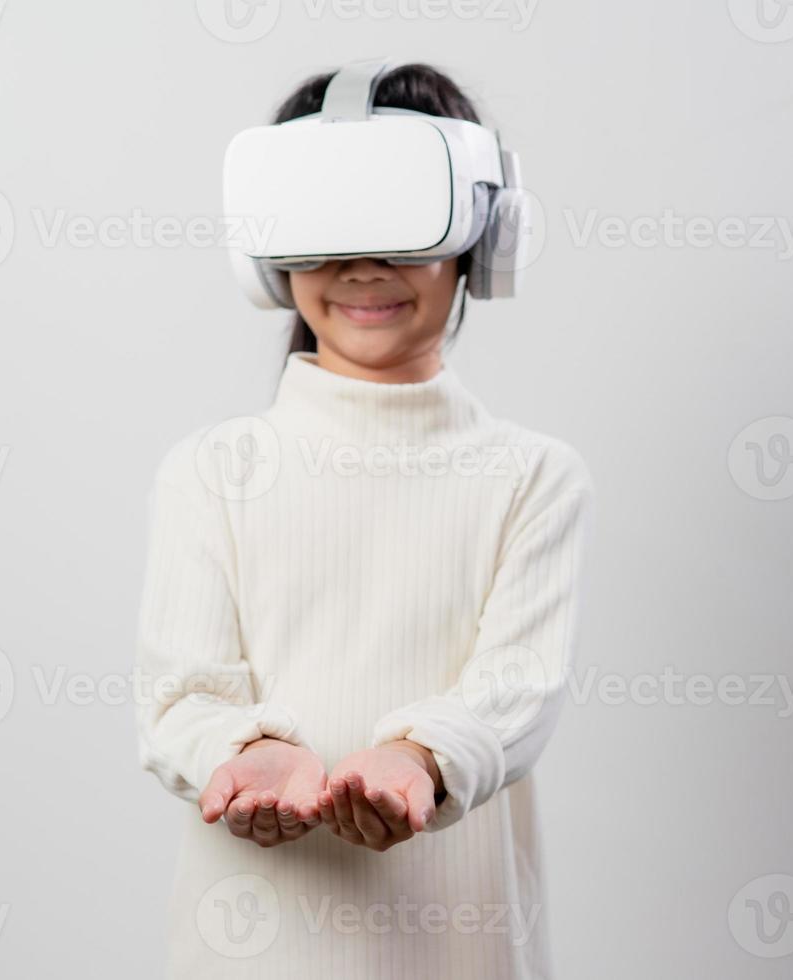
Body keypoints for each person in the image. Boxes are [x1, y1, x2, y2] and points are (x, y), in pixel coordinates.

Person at [134, 63, 593, 978]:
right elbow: (182, 696)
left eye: (402, 222)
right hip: (252, 945)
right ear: (267, 252)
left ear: (486, 235)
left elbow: (518, 686)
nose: (362, 267)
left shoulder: (533, 477)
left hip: (456, 939)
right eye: (323, 228)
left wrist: (419, 758)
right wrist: (250, 752)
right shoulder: (211, 472)